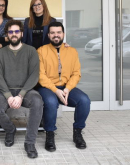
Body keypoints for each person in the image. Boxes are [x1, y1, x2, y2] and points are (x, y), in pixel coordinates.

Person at [0, 20, 43, 159]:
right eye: (11, 32)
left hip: (26, 90)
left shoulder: (31, 51)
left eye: (16, 31)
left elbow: (34, 75)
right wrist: (8, 96)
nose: (14, 34)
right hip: (5, 90)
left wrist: (20, 95)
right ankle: (10, 129)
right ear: (7, 34)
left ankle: (30, 143)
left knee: (37, 102)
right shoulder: (0, 53)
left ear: (21, 33)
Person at [37, 21, 90, 152]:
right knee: (50, 101)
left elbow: (76, 73)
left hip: (67, 87)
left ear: (63, 34)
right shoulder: (41, 51)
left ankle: (77, 132)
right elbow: (40, 75)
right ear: (48, 35)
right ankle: (50, 134)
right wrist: (55, 90)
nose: (56, 35)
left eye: (59, 32)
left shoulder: (72, 51)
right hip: (48, 87)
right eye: (53, 33)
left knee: (84, 100)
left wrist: (66, 89)